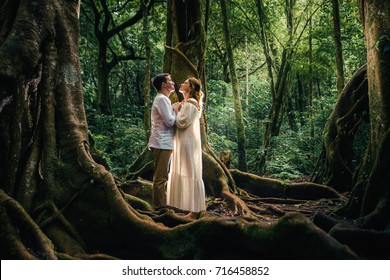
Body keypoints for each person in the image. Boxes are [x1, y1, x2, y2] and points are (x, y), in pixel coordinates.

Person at [167, 77, 206, 212]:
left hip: (187, 142)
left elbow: (181, 123)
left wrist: (176, 109)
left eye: (185, 83)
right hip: (184, 141)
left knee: (188, 171)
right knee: (185, 170)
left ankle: (189, 207)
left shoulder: (190, 104)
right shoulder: (187, 103)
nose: (181, 83)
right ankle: (181, 205)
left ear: (190, 88)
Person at [148, 73, 180, 208]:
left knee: (162, 177)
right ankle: (159, 209)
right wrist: (176, 110)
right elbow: (169, 122)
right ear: (163, 84)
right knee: (161, 178)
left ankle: (161, 206)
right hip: (161, 143)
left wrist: (172, 108)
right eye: (170, 81)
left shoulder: (164, 99)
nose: (173, 82)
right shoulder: (162, 99)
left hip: (165, 143)